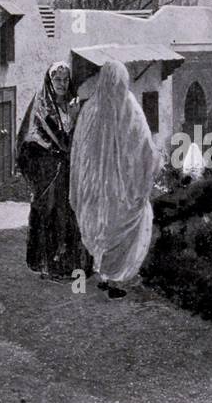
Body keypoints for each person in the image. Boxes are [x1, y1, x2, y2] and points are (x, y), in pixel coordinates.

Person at [69, 58, 160, 299]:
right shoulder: (128, 107)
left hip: (96, 191)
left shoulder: (90, 110)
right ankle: (115, 278)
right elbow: (146, 149)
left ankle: (104, 274)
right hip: (119, 192)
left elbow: (79, 153)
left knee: (101, 228)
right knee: (120, 228)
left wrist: (82, 184)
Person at [16, 61, 90, 281]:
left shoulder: (73, 104)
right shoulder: (41, 107)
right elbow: (30, 139)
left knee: (72, 217)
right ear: (50, 81)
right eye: (57, 79)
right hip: (50, 175)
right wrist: (51, 157)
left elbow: (79, 137)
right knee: (50, 217)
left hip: (70, 173)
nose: (62, 83)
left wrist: (76, 120)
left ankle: (74, 266)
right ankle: (50, 266)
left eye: (65, 79)